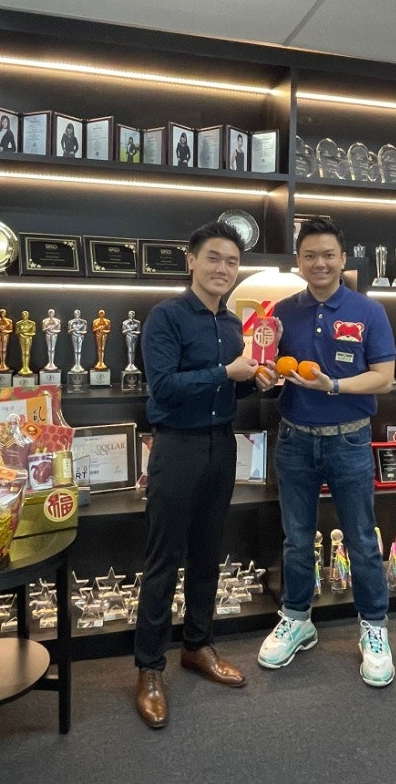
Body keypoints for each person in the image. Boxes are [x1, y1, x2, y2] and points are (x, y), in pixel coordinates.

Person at [133, 220, 277, 729]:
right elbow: (164, 388)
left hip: (221, 445)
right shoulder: (166, 317)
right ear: (191, 260)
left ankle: (197, 645)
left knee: (208, 553)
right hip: (176, 447)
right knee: (163, 559)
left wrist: (255, 381)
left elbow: (228, 389)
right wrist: (225, 373)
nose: (223, 268)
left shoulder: (233, 324)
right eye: (214, 258)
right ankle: (149, 667)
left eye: (232, 262)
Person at [258, 216, 396, 688]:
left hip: (350, 438)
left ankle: (374, 628)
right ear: (298, 260)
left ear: (342, 258)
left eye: (328, 254)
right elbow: (269, 368)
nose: (320, 263)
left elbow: (384, 377)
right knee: (297, 538)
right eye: (310, 255)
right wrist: (266, 377)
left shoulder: (368, 311)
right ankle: (297, 619)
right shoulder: (281, 312)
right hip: (294, 439)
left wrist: (333, 385)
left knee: (361, 539)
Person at [15, 310, 36, 375]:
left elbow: (33, 333)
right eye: (23, 315)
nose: (24, 316)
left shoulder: (32, 323)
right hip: (21, 338)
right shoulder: (18, 323)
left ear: (28, 315)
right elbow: (16, 332)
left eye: (26, 315)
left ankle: (27, 367)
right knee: (23, 352)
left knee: (27, 353)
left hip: (28, 338)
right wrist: (22, 332)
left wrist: (26, 334)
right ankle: (24, 367)